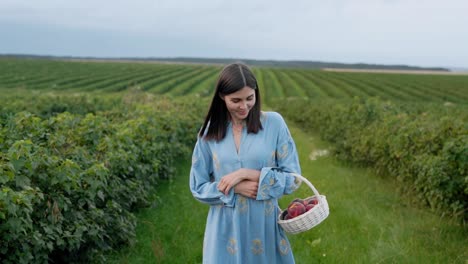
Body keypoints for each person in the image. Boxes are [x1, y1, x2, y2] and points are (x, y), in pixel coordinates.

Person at [189, 63, 302, 263]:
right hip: (224, 229)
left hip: (264, 226)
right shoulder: (208, 133)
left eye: (249, 98)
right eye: (236, 100)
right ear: (222, 97)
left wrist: (248, 173)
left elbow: (293, 179)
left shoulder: (274, 124)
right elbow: (198, 187)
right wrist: (236, 188)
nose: (244, 106)